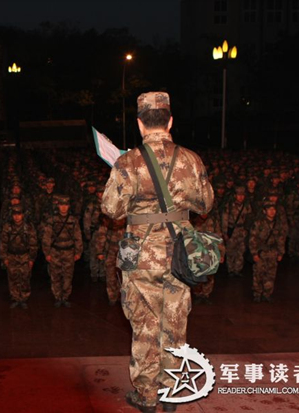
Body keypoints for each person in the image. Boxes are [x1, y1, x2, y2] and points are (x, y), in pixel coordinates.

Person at [101, 92, 213, 413]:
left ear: (140, 124)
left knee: (145, 324)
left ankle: (147, 395)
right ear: (170, 121)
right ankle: (171, 392)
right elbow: (205, 203)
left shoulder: (128, 162)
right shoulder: (191, 160)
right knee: (174, 323)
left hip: (140, 255)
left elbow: (111, 209)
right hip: (180, 253)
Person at [41, 194, 82, 308]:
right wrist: (47, 252)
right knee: (55, 275)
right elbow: (47, 237)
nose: (63, 208)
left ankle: (65, 297)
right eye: (61, 205)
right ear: (58, 206)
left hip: (69, 251)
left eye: (66, 205)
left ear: (68, 206)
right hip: (55, 251)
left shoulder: (73, 220)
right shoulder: (52, 220)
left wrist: (78, 251)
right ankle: (57, 297)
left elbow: (78, 236)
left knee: (68, 276)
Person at [0, 205, 38, 308]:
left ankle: (24, 298)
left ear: (23, 215)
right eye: (15, 214)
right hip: (11, 255)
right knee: (13, 277)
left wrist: (32, 258)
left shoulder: (28, 227)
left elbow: (33, 244)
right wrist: (4, 257)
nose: (17, 217)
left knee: (25, 277)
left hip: (25, 255)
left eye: (19, 214)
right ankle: (15, 297)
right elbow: (3, 243)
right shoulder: (7, 227)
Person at [249, 201, 288, 303]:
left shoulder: (278, 224)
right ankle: (257, 294)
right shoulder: (258, 223)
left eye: (273, 209)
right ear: (264, 211)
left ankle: (267, 294)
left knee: (270, 274)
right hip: (261, 252)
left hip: (273, 252)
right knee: (258, 273)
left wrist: (281, 252)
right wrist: (254, 253)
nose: (272, 211)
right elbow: (253, 238)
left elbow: (281, 239)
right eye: (269, 209)